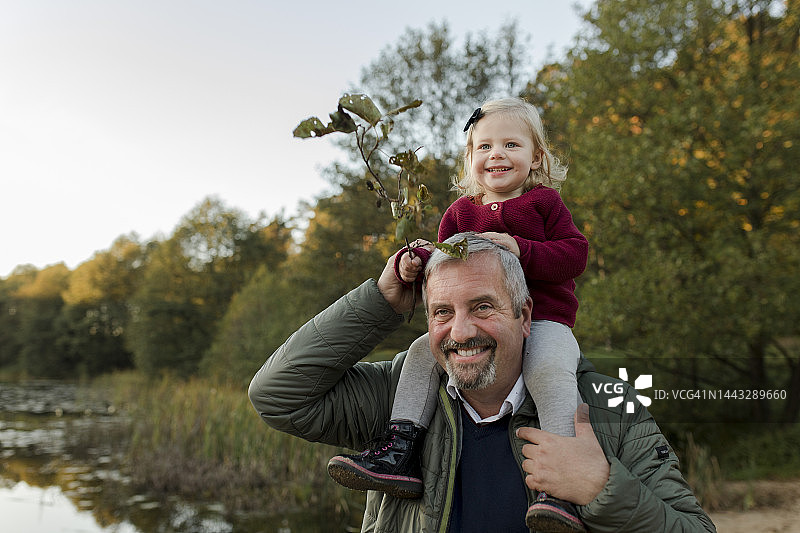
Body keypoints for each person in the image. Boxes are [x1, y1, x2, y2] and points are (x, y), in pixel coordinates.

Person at [248, 232, 717, 533]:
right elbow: (277, 394)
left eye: (483, 307)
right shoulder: (397, 398)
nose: (462, 331)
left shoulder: (607, 406)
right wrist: (382, 300)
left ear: (525, 314)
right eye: (442, 313)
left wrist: (601, 489)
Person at [326, 97, 589, 531]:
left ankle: (559, 485)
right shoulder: (461, 213)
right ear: (470, 158)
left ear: (536, 157)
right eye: (484, 147)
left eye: (511, 145)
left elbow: (574, 255)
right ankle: (401, 447)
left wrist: (521, 248)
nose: (497, 155)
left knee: (549, 371)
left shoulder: (544, 204)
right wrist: (417, 262)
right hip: (474, 325)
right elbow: (442, 267)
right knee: (419, 356)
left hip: (544, 320)